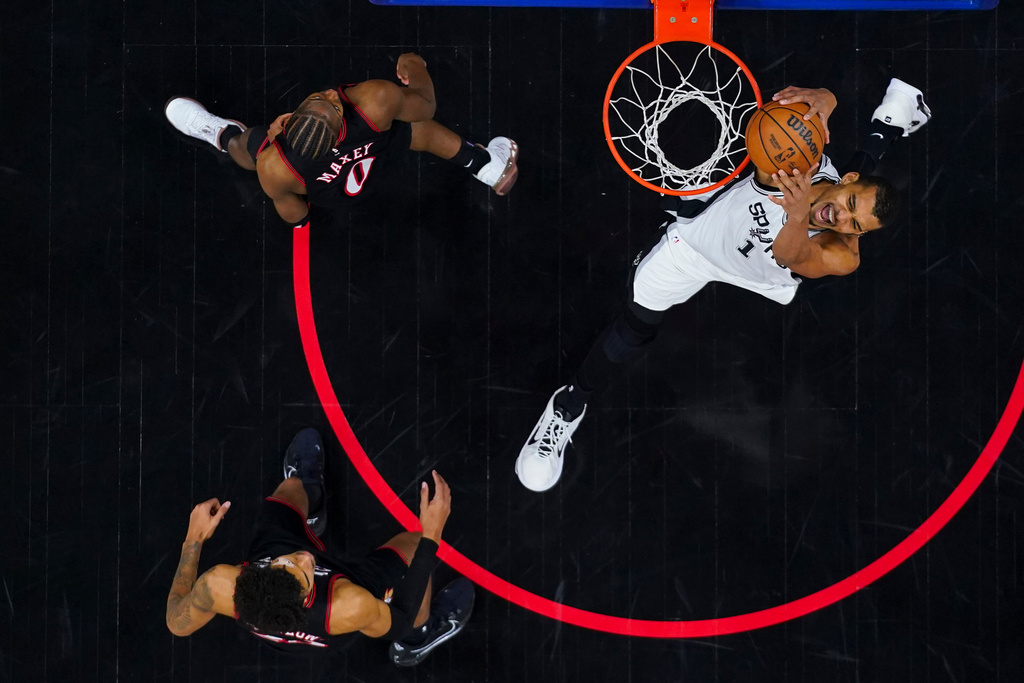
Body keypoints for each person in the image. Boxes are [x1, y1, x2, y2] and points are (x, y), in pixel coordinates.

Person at [514, 78, 932, 492]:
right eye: (849, 205)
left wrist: (800, 212)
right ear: (844, 181)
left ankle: (892, 117)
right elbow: (814, 147)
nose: (843, 220)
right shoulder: (792, 163)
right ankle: (569, 405)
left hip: (760, 274)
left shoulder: (844, 255)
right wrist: (829, 96)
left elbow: (792, 256)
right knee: (634, 328)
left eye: (856, 226)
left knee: (848, 203)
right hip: (695, 250)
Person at [165, 428, 473, 667]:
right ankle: (418, 640)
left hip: (278, 571)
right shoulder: (349, 606)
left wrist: (193, 539)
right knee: (416, 547)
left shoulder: (221, 585)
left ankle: (309, 495)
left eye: (287, 562)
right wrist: (432, 535)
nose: (305, 557)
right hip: (343, 590)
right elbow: (398, 619)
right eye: (306, 571)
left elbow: (176, 622)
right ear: (307, 597)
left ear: (251, 576)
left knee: (288, 494)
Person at [164, 52, 517, 228]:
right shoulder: (375, 101)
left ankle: (225, 136)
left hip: (341, 194)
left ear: (288, 122)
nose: (332, 94)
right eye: (329, 101)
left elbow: (295, 214)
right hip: (379, 154)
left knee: (249, 147)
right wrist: (413, 64)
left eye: (325, 99)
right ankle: (486, 166)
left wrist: (274, 148)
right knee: (418, 129)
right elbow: (425, 105)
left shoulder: (275, 164)